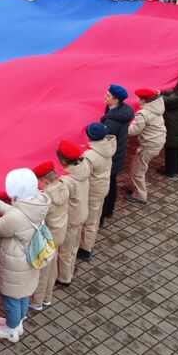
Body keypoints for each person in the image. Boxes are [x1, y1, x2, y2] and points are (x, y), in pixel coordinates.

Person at [0, 169, 49, 344]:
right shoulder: (37, 204)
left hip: (15, 266)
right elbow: (16, 212)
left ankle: (11, 331)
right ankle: (17, 322)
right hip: (29, 263)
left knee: (11, 298)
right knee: (23, 294)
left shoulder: (16, 218)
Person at [29, 162, 68, 309]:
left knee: (42, 270)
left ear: (44, 181)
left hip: (48, 236)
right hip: (60, 232)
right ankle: (47, 296)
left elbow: (39, 217)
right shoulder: (64, 186)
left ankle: (36, 301)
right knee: (52, 267)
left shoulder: (46, 198)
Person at [77, 122, 115, 262]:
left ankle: (85, 249)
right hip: (103, 187)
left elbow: (82, 174)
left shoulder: (90, 155)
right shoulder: (108, 146)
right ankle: (89, 243)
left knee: (89, 221)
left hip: (93, 191)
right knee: (95, 216)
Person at [54, 140, 91, 288]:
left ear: (63, 161)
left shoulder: (67, 180)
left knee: (65, 250)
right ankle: (68, 271)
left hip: (71, 219)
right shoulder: (83, 169)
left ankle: (64, 277)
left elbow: (59, 199)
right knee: (73, 246)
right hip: (81, 213)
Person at [124, 89, 166, 203]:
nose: (137, 100)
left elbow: (132, 131)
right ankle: (132, 186)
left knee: (138, 169)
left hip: (149, 145)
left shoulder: (143, 113)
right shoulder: (156, 108)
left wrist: (122, 125)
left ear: (143, 100)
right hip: (156, 142)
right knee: (136, 165)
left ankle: (140, 195)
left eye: (138, 98)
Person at [100, 84, 133, 224]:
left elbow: (105, 141)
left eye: (108, 96)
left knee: (105, 188)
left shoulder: (112, 121)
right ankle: (109, 211)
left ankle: (101, 217)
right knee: (112, 183)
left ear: (116, 100)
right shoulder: (123, 111)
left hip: (111, 158)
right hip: (118, 155)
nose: (104, 97)